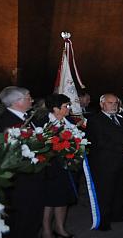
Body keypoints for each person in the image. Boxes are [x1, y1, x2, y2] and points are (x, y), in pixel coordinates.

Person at [0, 86, 45, 237]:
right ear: (17, 102)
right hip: (20, 182)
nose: (32, 100)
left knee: (33, 217)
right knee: (21, 220)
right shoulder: (4, 123)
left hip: (34, 178)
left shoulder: (29, 118)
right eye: (29, 98)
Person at [86, 93, 123, 231]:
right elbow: (100, 141)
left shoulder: (120, 118)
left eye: (116, 103)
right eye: (110, 103)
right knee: (105, 192)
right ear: (102, 104)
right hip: (105, 163)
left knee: (121, 190)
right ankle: (103, 220)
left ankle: (118, 214)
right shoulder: (95, 120)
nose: (114, 105)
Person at [38, 94, 78, 238]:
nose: (69, 108)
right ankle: (46, 230)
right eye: (66, 106)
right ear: (55, 108)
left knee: (63, 198)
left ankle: (60, 227)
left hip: (67, 167)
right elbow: (40, 145)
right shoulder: (43, 122)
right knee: (49, 200)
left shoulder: (70, 121)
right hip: (50, 168)